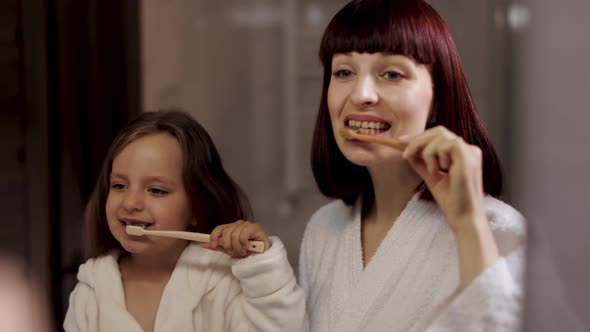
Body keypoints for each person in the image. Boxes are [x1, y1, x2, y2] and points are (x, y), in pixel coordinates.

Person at [298, 0, 526, 331]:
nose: (361, 94)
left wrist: (468, 224)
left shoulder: (499, 229)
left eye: (392, 74)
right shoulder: (324, 228)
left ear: (438, 96)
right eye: (344, 72)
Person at [64, 110, 305, 332]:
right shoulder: (91, 293)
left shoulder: (224, 282)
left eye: (156, 190)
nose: (130, 202)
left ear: (197, 207)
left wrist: (262, 270)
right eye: (119, 185)